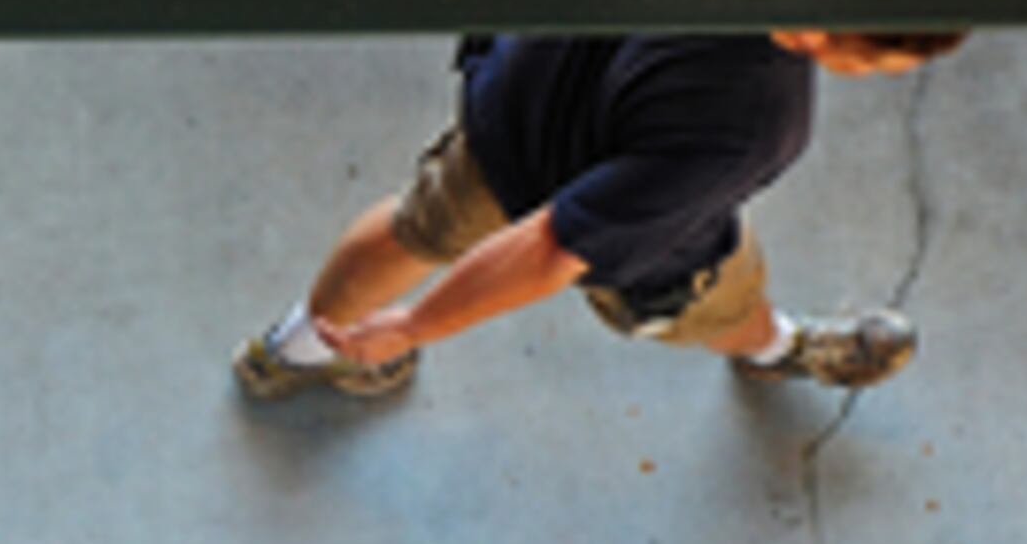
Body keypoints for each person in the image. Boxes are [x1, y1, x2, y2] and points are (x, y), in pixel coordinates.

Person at [234, 29, 966, 401]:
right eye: (876, 61)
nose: (875, 74)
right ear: (822, 34)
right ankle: (779, 351)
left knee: (414, 226)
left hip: (510, 114)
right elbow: (554, 245)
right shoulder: (755, 121)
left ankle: (290, 354)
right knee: (720, 299)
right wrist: (411, 327)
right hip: (629, 233)